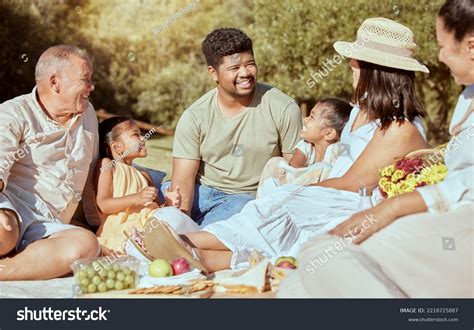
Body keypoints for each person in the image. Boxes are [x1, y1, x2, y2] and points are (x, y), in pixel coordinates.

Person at [151, 18, 429, 272]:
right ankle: (186, 245)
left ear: (375, 70)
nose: (350, 67)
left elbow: (354, 181)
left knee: (284, 206)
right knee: (277, 204)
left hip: (352, 198)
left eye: (356, 63)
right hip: (335, 190)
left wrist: (302, 188)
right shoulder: (361, 111)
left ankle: (187, 244)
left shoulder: (399, 128)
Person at [278, 0, 474, 298]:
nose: (440, 56)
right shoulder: (467, 99)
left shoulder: (401, 127)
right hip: (448, 216)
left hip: (461, 223)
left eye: (443, 45)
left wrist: (392, 207)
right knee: (295, 287)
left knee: (322, 252)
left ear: (471, 46)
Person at [162, 28, 302, 227]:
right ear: (213, 73)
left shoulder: (283, 108)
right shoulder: (194, 116)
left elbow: (295, 171)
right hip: (201, 190)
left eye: (250, 64)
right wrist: (179, 221)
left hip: (246, 198)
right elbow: (183, 179)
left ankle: (200, 242)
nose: (245, 73)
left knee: (211, 233)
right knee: (152, 201)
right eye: (234, 68)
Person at [0, 45, 101, 280]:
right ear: (55, 82)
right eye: (85, 80)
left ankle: (5, 271)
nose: (91, 87)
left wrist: (99, 226)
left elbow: (90, 178)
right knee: (3, 231)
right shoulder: (13, 113)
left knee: (86, 245)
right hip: (11, 206)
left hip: (49, 225)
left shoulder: (88, 113)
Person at [95, 117, 198, 252]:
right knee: (173, 224)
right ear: (117, 147)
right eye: (136, 134)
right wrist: (136, 198)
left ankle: (184, 248)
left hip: (151, 222)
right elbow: (103, 205)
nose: (143, 138)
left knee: (176, 216)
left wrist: (168, 204)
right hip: (125, 228)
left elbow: (157, 208)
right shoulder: (108, 166)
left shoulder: (144, 175)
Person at [257, 98, 352, 197]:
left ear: (329, 133)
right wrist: (307, 175)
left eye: (312, 117)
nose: (305, 119)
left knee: (324, 168)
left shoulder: (337, 150)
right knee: (274, 162)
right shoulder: (306, 144)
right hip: (297, 185)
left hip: (318, 195)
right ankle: (266, 203)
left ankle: (285, 196)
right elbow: (294, 167)